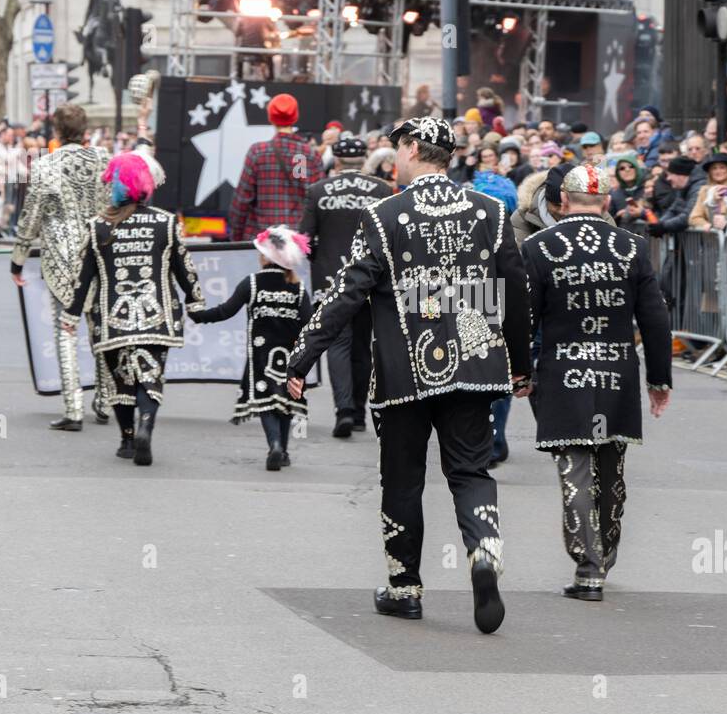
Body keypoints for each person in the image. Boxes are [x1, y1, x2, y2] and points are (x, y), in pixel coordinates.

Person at [284, 116, 532, 634]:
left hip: (404, 372)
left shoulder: (384, 215)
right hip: (474, 359)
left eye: (398, 149)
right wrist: (519, 364)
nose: (394, 158)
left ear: (415, 149)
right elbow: (514, 291)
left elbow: (347, 293)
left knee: (402, 479)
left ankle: (405, 588)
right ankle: (484, 552)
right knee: (470, 471)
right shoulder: (490, 210)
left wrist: (301, 357)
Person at [520, 164, 672, 599]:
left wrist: (519, 370)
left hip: (563, 371)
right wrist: (659, 379)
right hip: (616, 371)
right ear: (605, 202)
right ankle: (604, 553)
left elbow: (524, 316)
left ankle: (587, 567)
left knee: (575, 468)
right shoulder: (632, 247)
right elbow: (655, 317)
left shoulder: (538, 246)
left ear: (563, 201)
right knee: (611, 464)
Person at [61, 153, 206, 466]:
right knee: (150, 377)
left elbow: (81, 277)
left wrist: (70, 315)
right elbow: (185, 269)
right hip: (157, 316)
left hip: (113, 319)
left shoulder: (98, 226)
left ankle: (127, 439)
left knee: (121, 381)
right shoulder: (166, 223)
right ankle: (145, 427)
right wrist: (195, 302)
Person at [11, 104, 111, 431]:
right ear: (84, 130)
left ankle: (74, 408)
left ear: (56, 130)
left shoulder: (45, 165)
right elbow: (116, 203)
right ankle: (105, 400)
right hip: (99, 251)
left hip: (61, 254)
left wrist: (19, 258)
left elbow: (31, 216)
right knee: (101, 327)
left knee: (65, 329)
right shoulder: (104, 160)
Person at [191, 226, 312, 470]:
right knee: (286, 400)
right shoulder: (298, 289)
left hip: (261, 355)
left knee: (266, 400)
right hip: (290, 355)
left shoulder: (253, 283)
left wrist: (199, 316)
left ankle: (274, 445)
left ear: (266, 257)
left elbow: (226, 310)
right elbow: (309, 323)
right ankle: (284, 450)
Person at [299, 135, 392, 437]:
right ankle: (360, 412)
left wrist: (318, 258)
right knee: (363, 345)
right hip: (369, 279)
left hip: (329, 279)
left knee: (337, 343)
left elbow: (305, 239)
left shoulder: (317, 190)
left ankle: (344, 411)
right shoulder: (381, 189)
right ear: (364, 159)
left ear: (336, 160)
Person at [230, 93, 323, 241]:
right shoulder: (310, 154)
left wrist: (236, 236)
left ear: (270, 117)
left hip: (263, 238)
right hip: (297, 240)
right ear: (295, 117)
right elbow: (319, 200)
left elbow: (242, 200)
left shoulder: (258, 152)